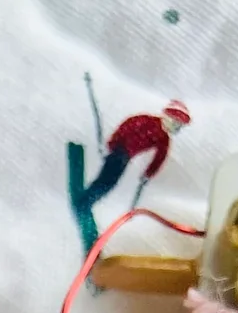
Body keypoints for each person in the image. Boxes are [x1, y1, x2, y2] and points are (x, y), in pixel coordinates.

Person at [68, 99, 190, 253]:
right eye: (176, 123)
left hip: (125, 156)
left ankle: (86, 201)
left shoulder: (163, 139)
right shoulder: (146, 121)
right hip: (119, 152)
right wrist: (112, 143)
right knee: (106, 181)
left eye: (179, 126)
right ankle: (85, 202)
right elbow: (126, 126)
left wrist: (148, 173)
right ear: (167, 116)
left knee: (109, 182)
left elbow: (159, 157)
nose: (177, 128)